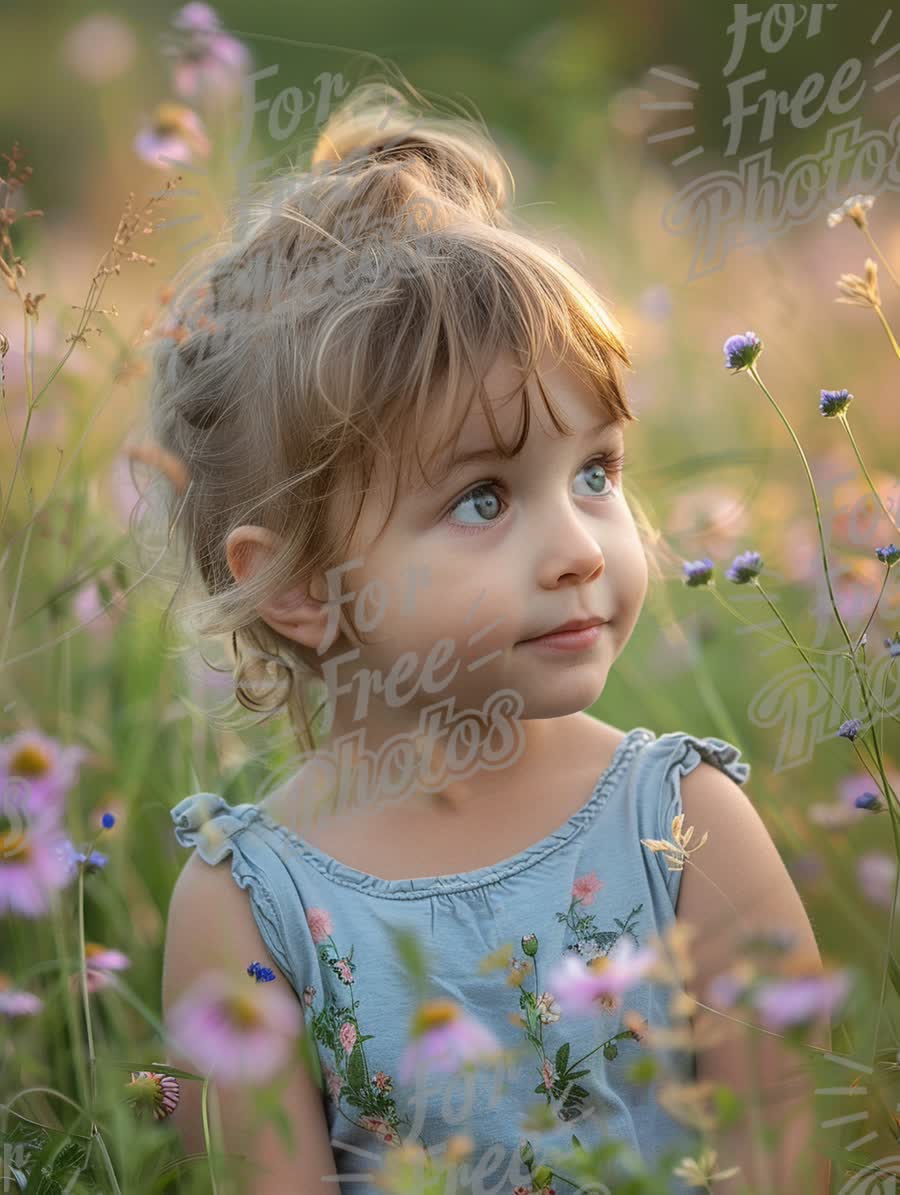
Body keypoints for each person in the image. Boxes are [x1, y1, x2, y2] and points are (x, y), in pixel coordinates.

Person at [155, 81, 831, 1195]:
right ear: (299, 585)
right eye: (483, 498)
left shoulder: (682, 824)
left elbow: (782, 1150)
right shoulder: (246, 905)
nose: (579, 546)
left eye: (596, 472)